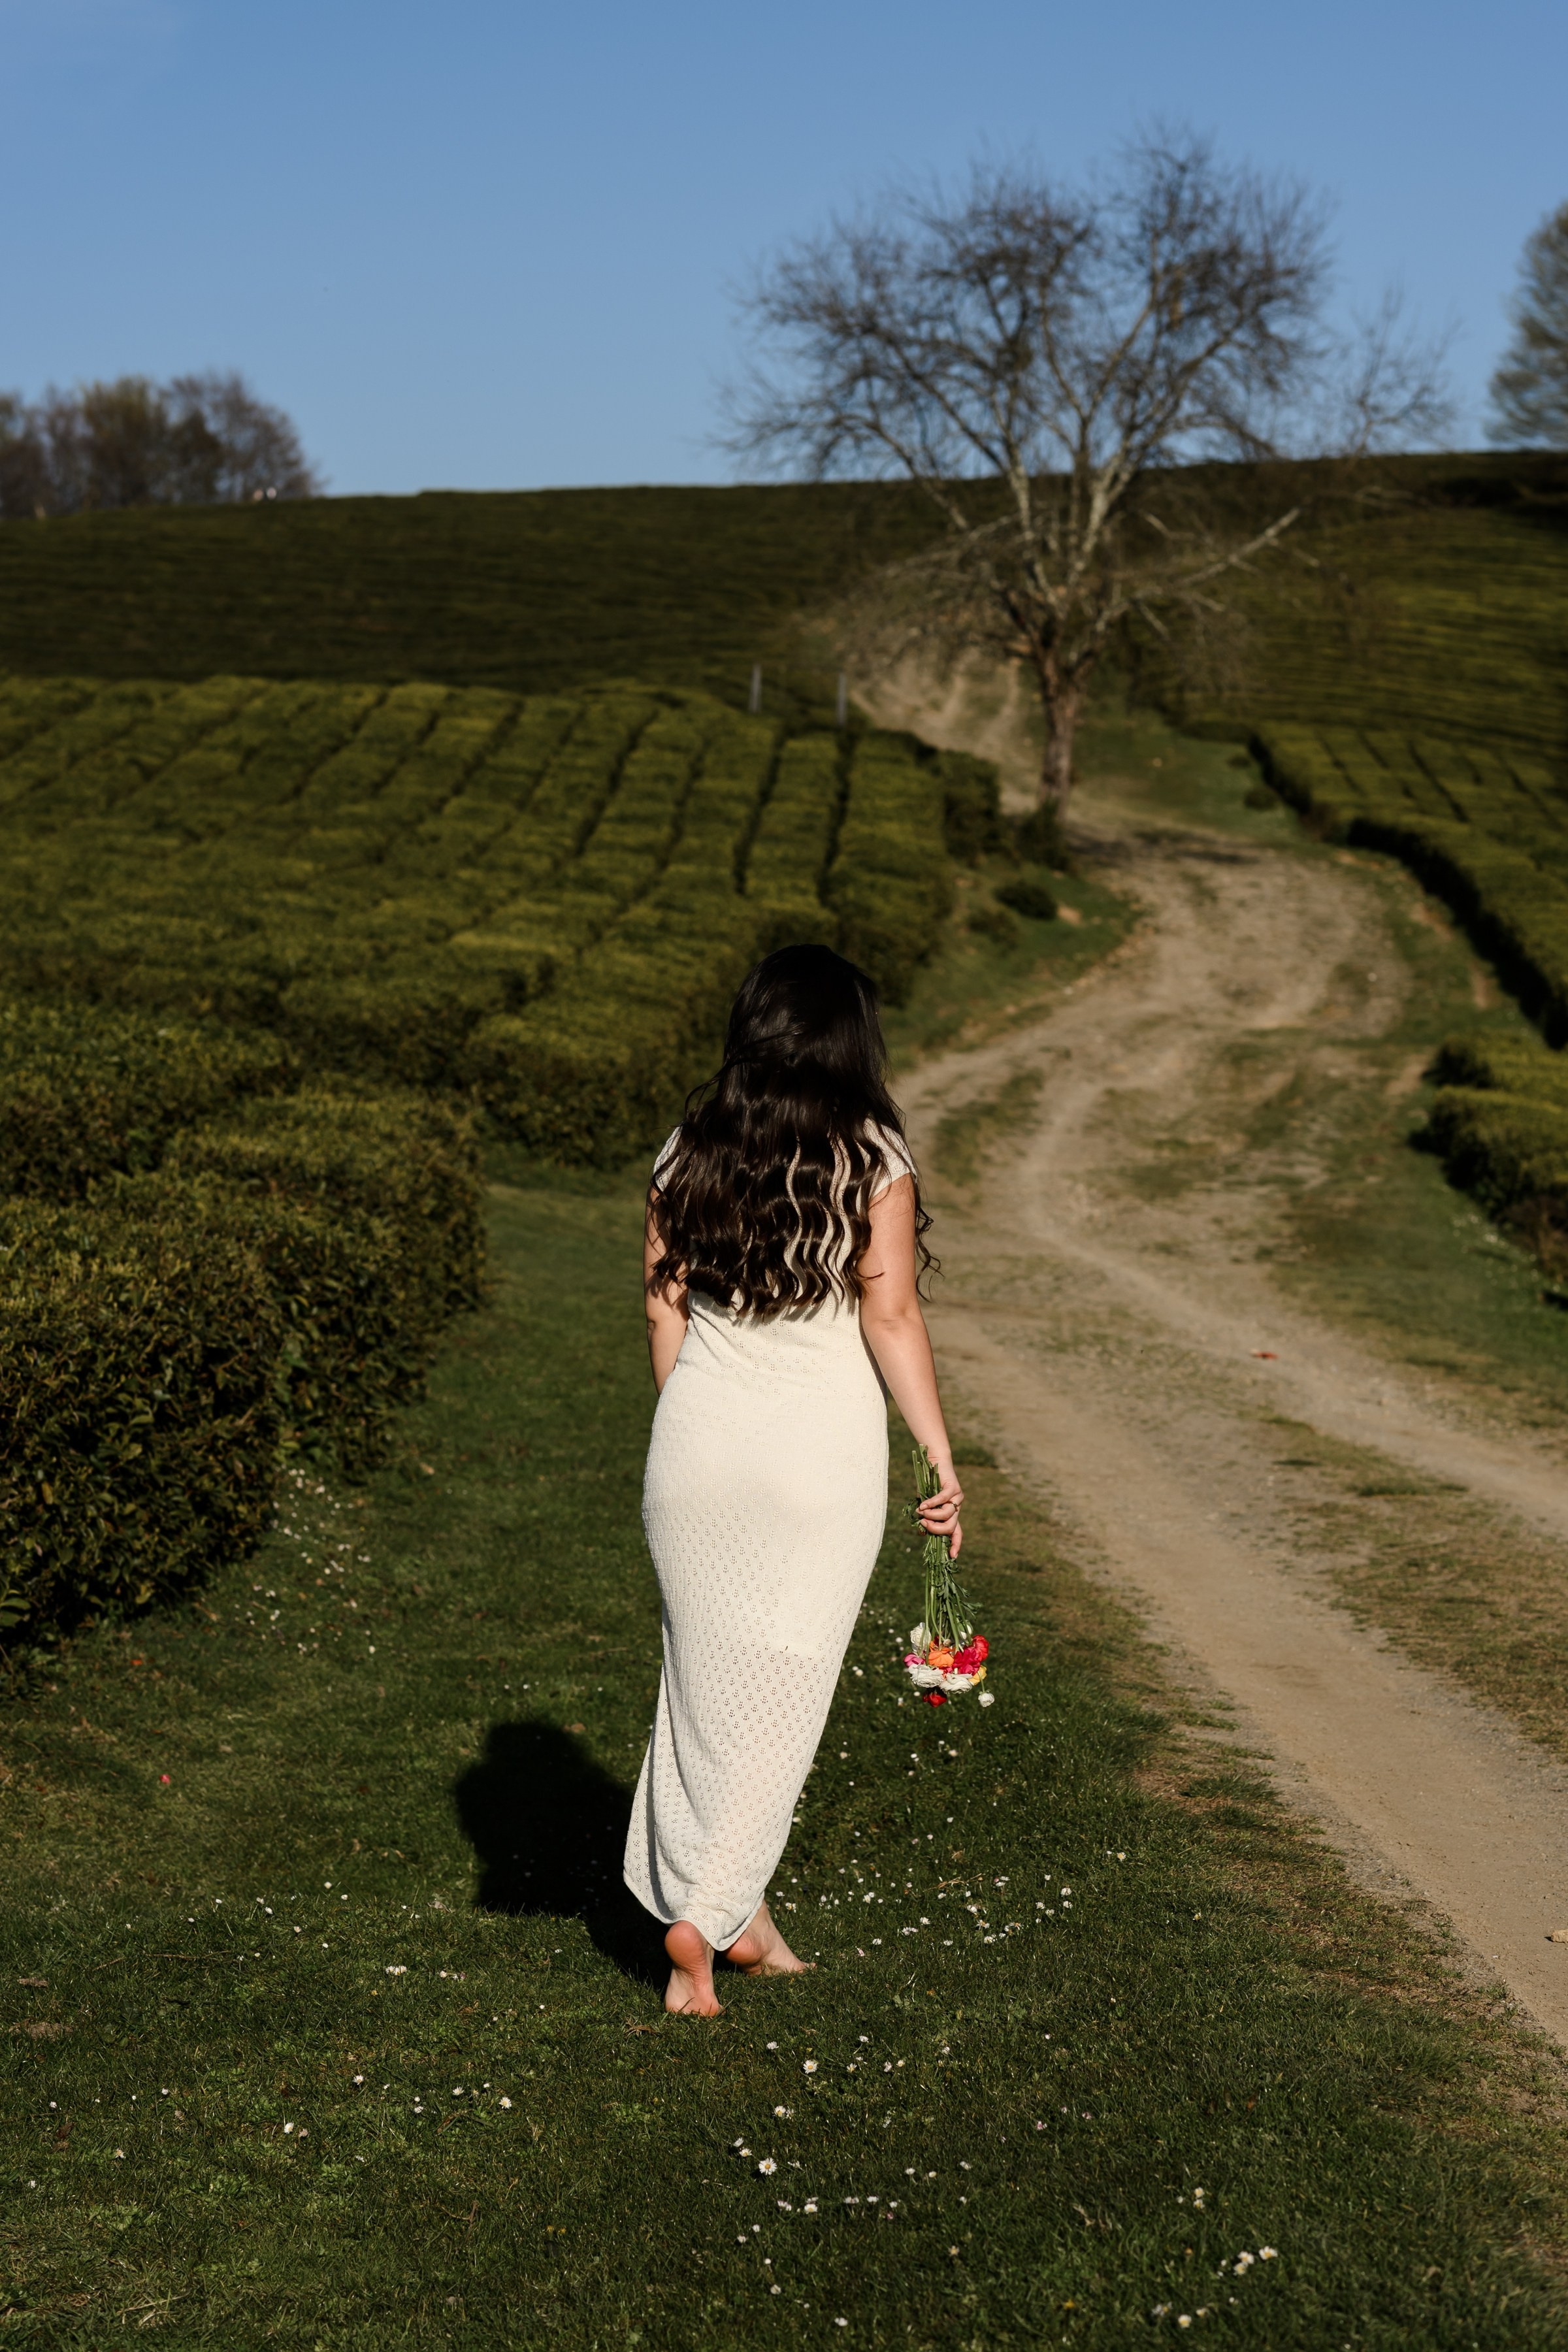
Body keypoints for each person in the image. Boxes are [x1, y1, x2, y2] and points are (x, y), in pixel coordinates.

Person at [624, 943, 964, 2017]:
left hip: (694, 1450)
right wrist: (939, 1456)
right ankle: (704, 1919)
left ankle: (742, 1919)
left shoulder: (689, 1146)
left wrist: (689, 1422)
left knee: (700, 1693)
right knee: (781, 1693)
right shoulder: (872, 1154)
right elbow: (890, 1315)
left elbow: (663, 1309)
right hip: (818, 1461)